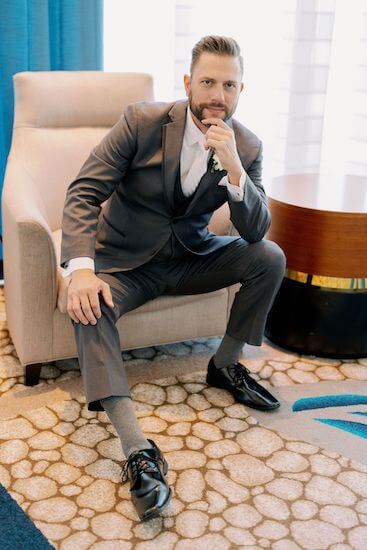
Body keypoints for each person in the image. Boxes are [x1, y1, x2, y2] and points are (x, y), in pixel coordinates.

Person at [60, 35, 286, 521]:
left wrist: (233, 171)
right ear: (188, 81)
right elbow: (83, 193)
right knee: (88, 304)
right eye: (207, 81)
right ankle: (137, 449)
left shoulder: (246, 145)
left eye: (228, 85)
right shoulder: (141, 122)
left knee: (269, 257)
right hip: (126, 263)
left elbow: (255, 230)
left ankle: (225, 366)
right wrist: (79, 271)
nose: (217, 96)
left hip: (190, 258)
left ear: (241, 90)